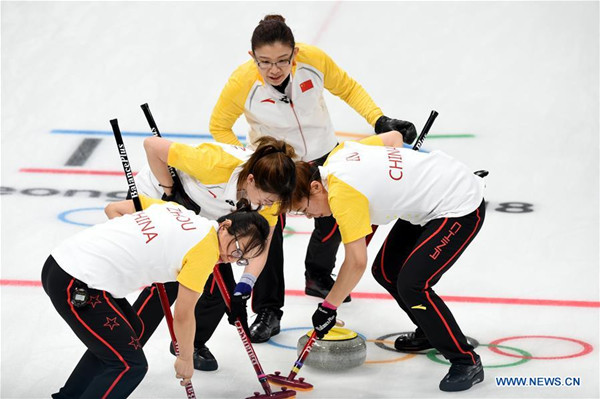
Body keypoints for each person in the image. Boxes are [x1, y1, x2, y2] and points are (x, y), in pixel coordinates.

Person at [208, 13, 418, 344]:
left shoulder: (314, 61)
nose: (274, 69)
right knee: (266, 233)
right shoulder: (241, 83)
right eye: (264, 62)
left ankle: (318, 275)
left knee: (334, 218)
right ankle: (268, 309)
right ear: (252, 58)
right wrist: (251, 162)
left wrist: (379, 119)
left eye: (282, 60)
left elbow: (347, 88)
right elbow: (218, 126)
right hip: (278, 166)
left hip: (323, 154)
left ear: (296, 53)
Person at [291, 131, 486, 392]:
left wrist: (328, 308)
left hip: (458, 204)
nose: (308, 216)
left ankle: (466, 360)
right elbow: (394, 138)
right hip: (427, 202)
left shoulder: (341, 194)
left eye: (305, 208)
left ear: (315, 187)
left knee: (413, 285)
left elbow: (356, 262)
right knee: (386, 271)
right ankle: (429, 331)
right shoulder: (336, 158)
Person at [41, 201, 270, 398]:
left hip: (61, 264)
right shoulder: (206, 251)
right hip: (77, 282)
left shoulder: (179, 211)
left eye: (241, 259)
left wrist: (148, 249)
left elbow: (114, 210)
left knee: (131, 334)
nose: (231, 258)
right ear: (225, 226)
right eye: (237, 249)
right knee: (128, 366)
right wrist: (185, 358)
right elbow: (183, 315)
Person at [125, 135, 296, 372]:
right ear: (251, 179)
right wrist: (169, 190)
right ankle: (126, 348)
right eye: (265, 199)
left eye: (272, 201)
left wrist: (244, 288)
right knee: (171, 281)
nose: (267, 205)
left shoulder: (272, 197)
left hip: (204, 219)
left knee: (220, 288)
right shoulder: (213, 164)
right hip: (157, 199)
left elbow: (261, 246)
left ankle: (190, 344)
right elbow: (152, 146)